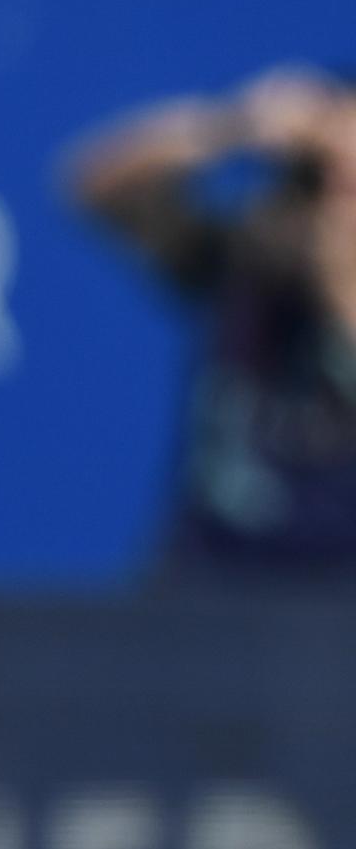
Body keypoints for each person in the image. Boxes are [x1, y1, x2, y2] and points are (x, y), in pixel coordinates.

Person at [69, 66, 356, 585]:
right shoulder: (256, 262)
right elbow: (96, 184)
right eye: (327, 182)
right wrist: (235, 126)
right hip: (205, 608)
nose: (341, 210)